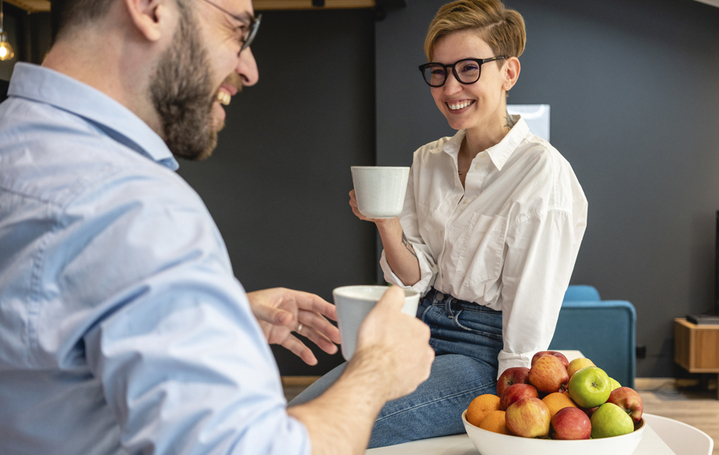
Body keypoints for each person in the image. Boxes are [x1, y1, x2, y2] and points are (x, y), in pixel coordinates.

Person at [0, 0, 434, 453]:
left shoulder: (21, 145)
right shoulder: (138, 209)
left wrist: (202, 313)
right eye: (237, 29)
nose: (250, 69)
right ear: (150, 8)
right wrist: (376, 371)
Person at [290, 0, 588, 447]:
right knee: (295, 414)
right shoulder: (427, 160)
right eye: (439, 71)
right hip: (418, 327)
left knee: (316, 431)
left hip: (483, 353)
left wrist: (515, 399)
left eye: (469, 69)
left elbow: (533, 306)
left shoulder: (543, 173)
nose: (450, 87)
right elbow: (417, 278)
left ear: (508, 73)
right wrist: (385, 222)